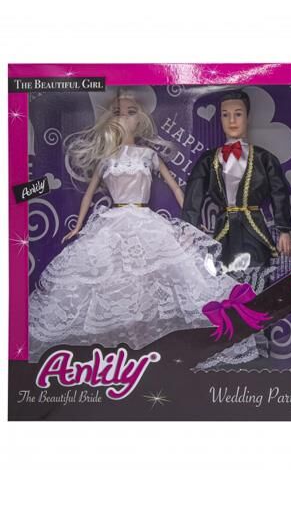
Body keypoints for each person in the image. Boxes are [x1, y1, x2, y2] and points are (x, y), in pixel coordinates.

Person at [28, 89, 236, 362]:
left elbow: (175, 187)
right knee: (112, 280)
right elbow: (88, 195)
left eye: (131, 112)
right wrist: (78, 227)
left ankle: (157, 349)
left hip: (146, 222)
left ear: (140, 119)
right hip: (113, 223)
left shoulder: (148, 155)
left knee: (157, 277)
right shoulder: (107, 158)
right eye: (118, 113)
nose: (125, 118)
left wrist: (190, 222)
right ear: (110, 119)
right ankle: (118, 352)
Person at [182, 89, 291, 268]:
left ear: (247, 117)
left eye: (238, 114)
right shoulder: (209, 159)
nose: (232, 120)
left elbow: (279, 193)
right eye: (225, 115)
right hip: (223, 230)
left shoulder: (264, 158)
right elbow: (194, 194)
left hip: (254, 228)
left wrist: (284, 230)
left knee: (257, 271)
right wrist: (189, 228)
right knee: (223, 271)